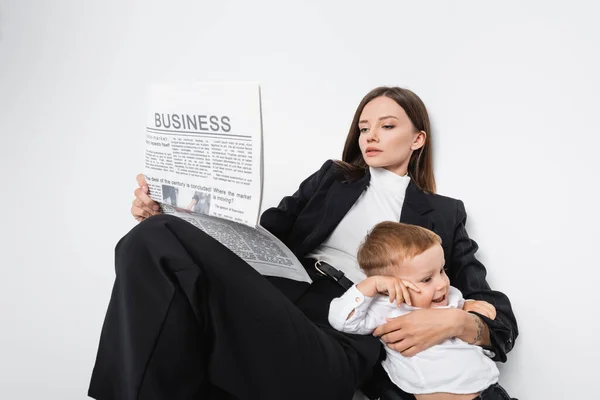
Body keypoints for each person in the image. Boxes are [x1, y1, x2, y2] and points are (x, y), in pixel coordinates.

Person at [90, 86, 518, 400]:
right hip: (277, 300)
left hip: (341, 336)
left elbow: (494, 313)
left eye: (387, 126)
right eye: (364, 126)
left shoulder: (441, 213)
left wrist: (459, 323)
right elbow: (260, 235)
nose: (370, 135)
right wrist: (173, 213)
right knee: (149, 238)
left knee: (160, 246)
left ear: (417, 139)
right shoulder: (333, 180)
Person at [329, 221, 513, 400]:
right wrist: (371, 285)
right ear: (389, 286)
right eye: (426, 280)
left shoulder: (449, 297)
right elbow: (342, 320)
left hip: (491, 392)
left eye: (442, 270)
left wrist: (468, 306)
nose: (442, 283)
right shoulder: (385, 309)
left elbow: (464, 306)